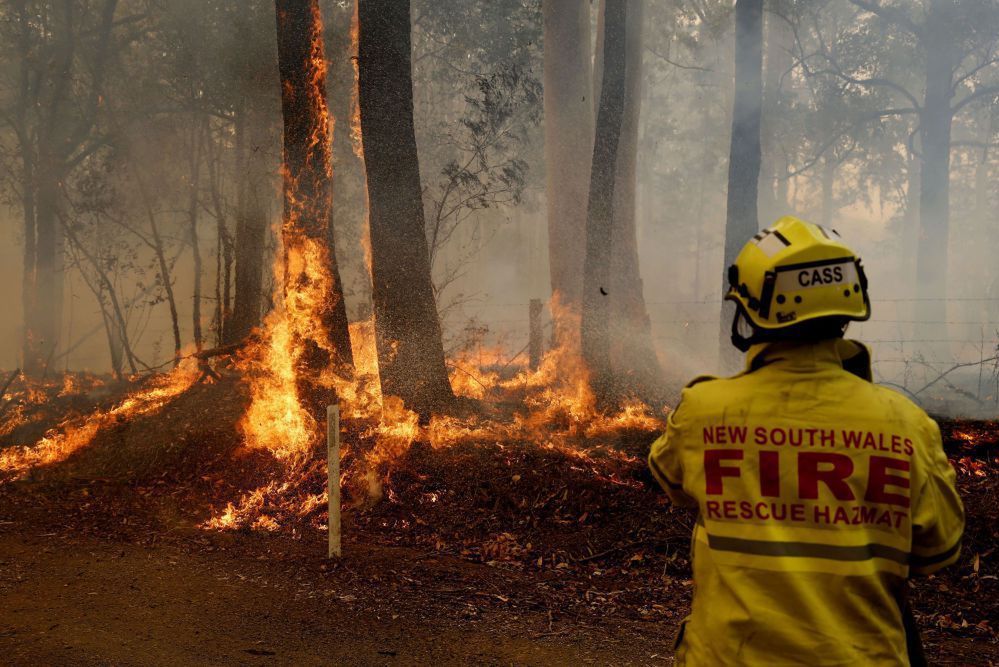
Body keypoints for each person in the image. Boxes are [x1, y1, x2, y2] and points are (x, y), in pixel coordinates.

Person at [648, 216, 964, 666]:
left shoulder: (703, 411)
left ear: (751, 310)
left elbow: (673, 482)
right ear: (849, 304)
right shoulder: (907, 426)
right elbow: (938, 549)